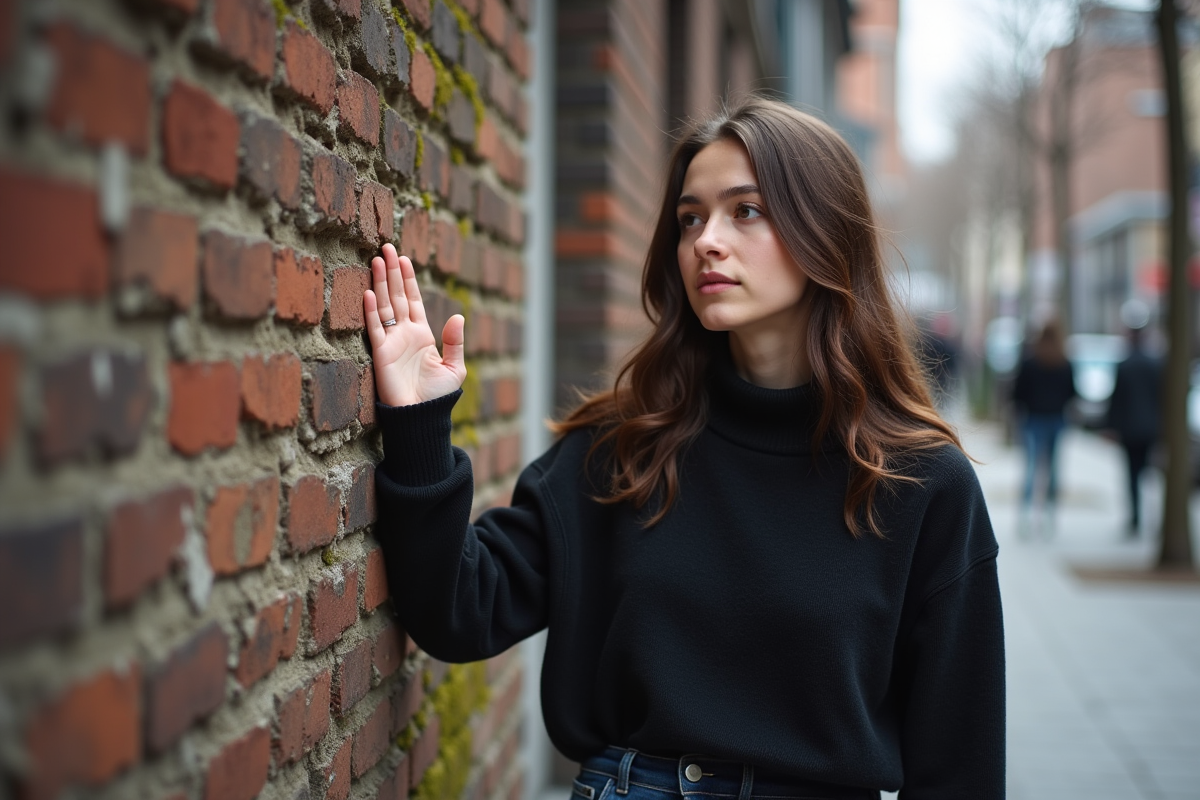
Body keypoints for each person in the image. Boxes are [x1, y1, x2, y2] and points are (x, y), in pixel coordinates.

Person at [363, 98, 1004, 799]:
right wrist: (419, 422)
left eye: (746, 211)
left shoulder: (919, 481)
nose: (706, 240)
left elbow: (959, 767)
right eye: (690, 218)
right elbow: (459, 609)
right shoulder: (622, 449)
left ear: (826, 233)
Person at [1011, 320, 1076, 527]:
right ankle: (1050, 514)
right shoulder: (1064, 363)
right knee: (1054, 467)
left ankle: (1025, 514)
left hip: (1033, 419)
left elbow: (1018, 393)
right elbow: (1072, 393)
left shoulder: (1030, 362)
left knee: (1031, 466)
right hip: (1056, 418)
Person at [1106, 321, 1162, 535]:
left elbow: (1116, 400)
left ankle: (1136, 517)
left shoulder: (1125, 364)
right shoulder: (1154, 364)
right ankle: (1149, 516)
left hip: (1129, 429)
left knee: (1131, 474)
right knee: (1148, 473)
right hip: (1149, 428)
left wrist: (1111, 427)